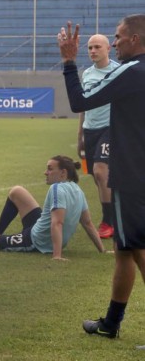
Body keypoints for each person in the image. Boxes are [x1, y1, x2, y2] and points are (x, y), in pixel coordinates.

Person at [58, 15, 145, 346]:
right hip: (139, 169)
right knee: (124, 248)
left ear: (135, 40)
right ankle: (111, 322)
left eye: (119, 36)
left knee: (137, 247)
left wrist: (68, 62)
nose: (116, 41)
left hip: (132, 174)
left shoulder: (131, 71)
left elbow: (80, 101)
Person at [0, 156, 106, 259]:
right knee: (17, 191)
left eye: (50, 169)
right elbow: (88, 223)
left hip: (34, 240)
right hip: (38, 227)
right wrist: (102, 250)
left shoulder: (57, 188)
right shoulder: (78, 190)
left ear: (63, 173)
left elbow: (57, 223)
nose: (45, 172)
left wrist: (57, 255)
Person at [77, 34, 119, 239]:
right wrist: (80, 135)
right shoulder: (87, 74)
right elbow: (83, 105)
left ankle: (108, 222)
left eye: (97, 47)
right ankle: (117, 212)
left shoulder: (118, 71)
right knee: (97, 177)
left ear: (108, 48)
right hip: (89, 129)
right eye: (90, 48)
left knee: (101, 172)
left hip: (109, 128)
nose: (93, 51)